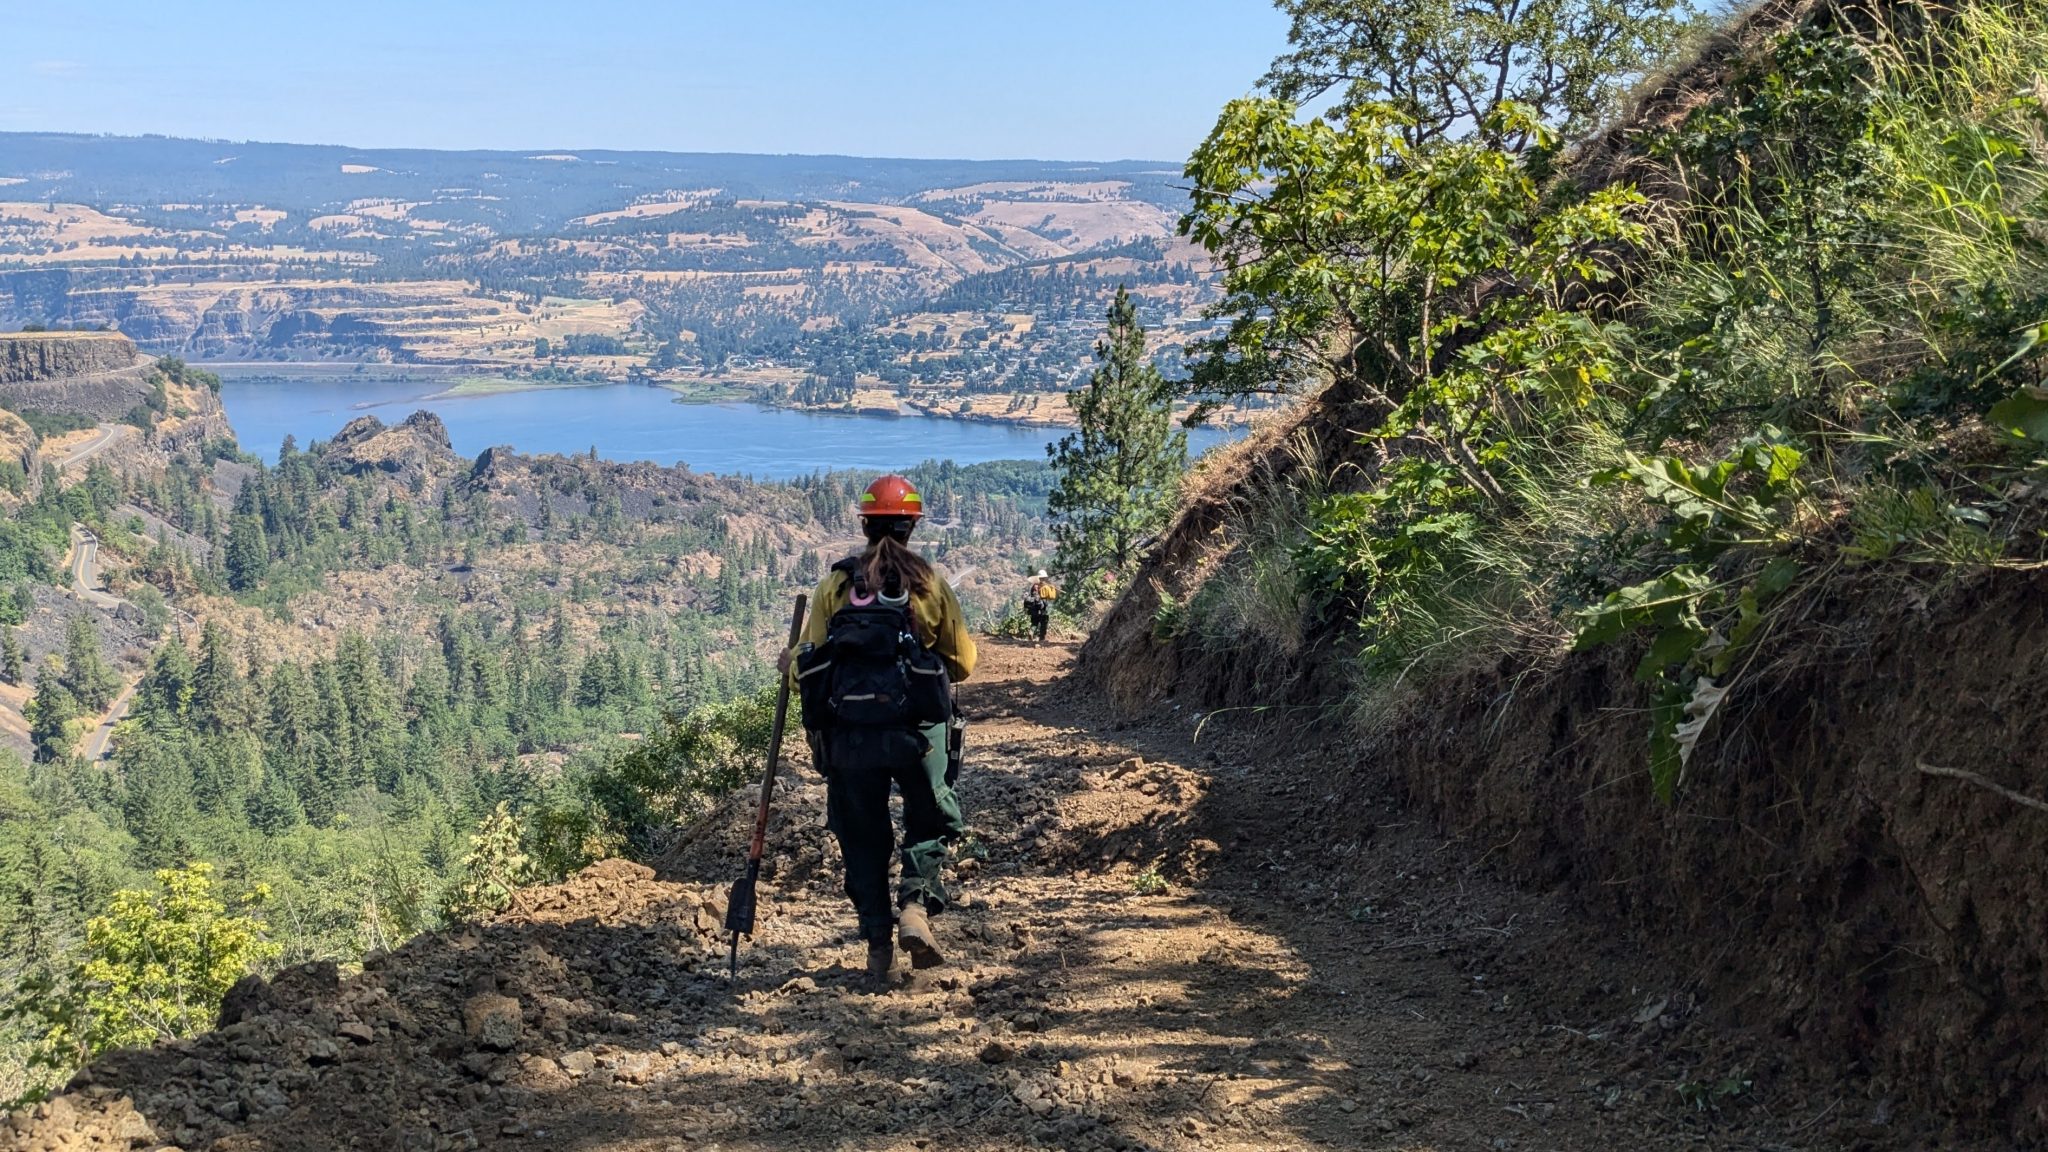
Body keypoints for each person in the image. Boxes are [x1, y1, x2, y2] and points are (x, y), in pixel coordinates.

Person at [789, 474, 977, 983]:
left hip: (849, 739)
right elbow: (962, 664)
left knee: (861, 834)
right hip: (917, 733)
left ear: (866, 525)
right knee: (930, 816)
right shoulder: (929, 584)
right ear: (913, 525)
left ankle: (877, 942)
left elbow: (804, 668)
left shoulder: (836, 585)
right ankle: (915, 906)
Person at [1024, 569, 1058, 643]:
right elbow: (1051, 597)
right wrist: (1052, 589)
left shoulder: (1034, 586)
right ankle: (1042, 638)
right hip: (1042, 607)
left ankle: (1031, 632)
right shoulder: (1045, 587)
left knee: (1034, 622)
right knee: (1044, 622)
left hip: (1033, 608)